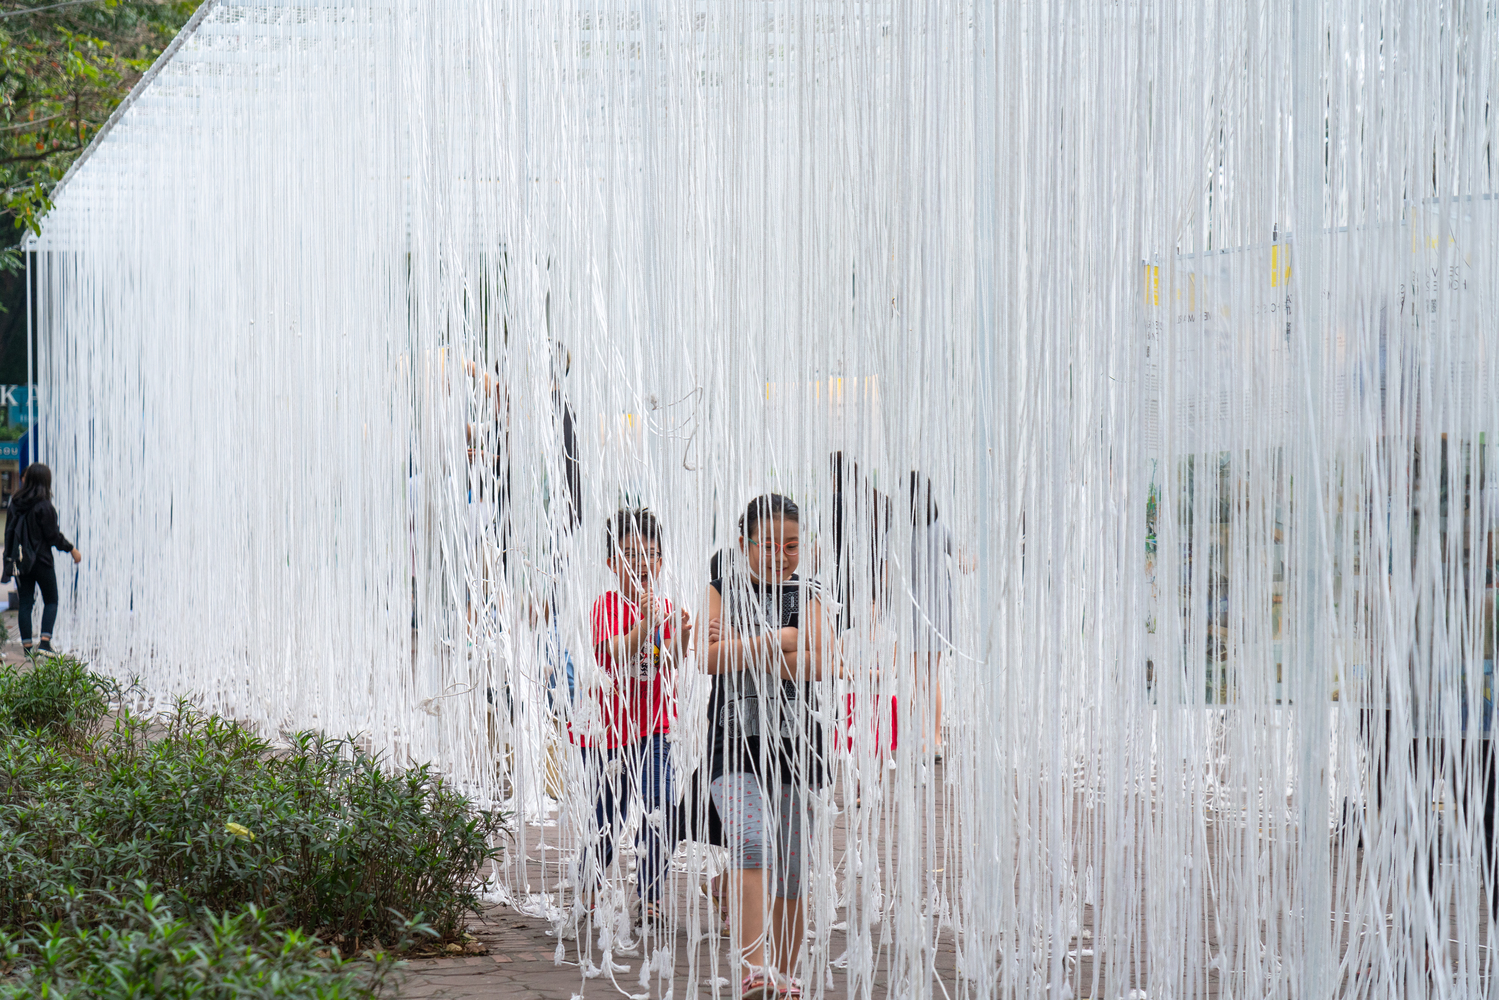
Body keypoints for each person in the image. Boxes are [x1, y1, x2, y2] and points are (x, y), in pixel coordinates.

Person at [703, 494, 828, 997]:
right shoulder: (721, 589)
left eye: (792, 545)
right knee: (751, 845)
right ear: (743, 544)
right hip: (731, 744)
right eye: (769, 545)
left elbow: (823, 663)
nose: (782, 555)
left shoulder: (812, 591)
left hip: (799, 746)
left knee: (792, 866)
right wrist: (784, 639)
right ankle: (753, 967)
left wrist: (744, 643)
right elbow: (707, 661)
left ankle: (786, 971)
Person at [576, 508, 692, 927]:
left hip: (656, 726)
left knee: (659, 808)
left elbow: (669, 661)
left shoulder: (663, 605)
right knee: (609, 813)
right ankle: (588, 887)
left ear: (661, 561)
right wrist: (647, 624)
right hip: (610, 734)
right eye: (629, 554)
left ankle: (651, 894)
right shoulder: (605, 606)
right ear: (611, 563)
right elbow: (612, 653)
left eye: (650, 553)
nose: (641, 562)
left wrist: (681, 635)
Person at [3, 463, 82, 656]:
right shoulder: (45, 506)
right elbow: (53, 536)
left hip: (21, 562)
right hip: (42, 561)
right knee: (51, 599)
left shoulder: (15, 503)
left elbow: (9, 533)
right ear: (46, 481)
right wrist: (71, 549)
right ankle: (45, 642)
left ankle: (27, 647)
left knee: (25, 603)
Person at [907, 472, 954, 756]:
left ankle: (922, 738)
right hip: (938, 611)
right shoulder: (941, 528)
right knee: (931, 675)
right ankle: (935, 739)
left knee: (915, 677)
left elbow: (887, 579)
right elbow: (964, 562)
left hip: (911, 612)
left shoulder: (896, 532)